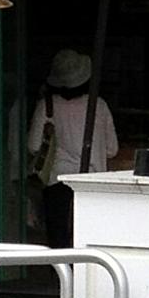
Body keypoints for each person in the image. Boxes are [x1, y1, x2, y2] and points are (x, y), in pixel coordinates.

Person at [27, 49, 118, 248]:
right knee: (89, 240)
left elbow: (34, 146)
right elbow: (112, 149)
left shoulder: (47, 105)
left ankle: (61, 277)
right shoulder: (99, 106)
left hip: (56, 182)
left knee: (59, 241)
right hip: (92, 181)